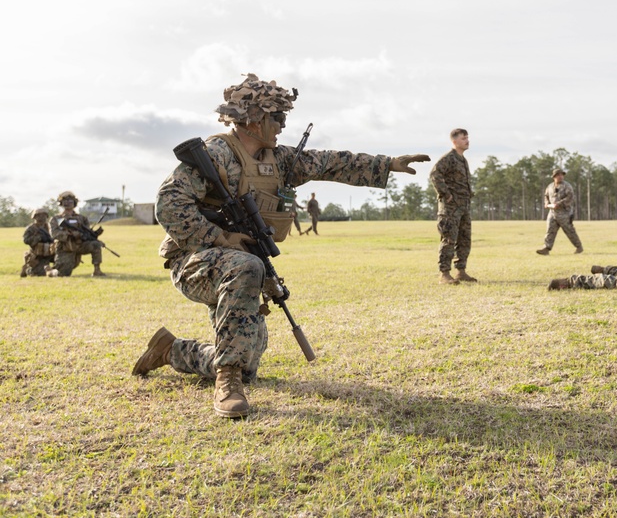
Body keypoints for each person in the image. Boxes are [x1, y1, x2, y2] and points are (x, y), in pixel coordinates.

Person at [132, 73, 429, 418]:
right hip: (195, 262)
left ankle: (172, 351)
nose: (283, 125)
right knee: (247, 270)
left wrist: (387, 164)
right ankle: (227, 383)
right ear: (254, 119)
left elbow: (330, 161)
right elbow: (168, 203)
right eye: (278, 117)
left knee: (249, 360)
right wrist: (221, 238)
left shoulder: (279, 158)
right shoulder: (215, 155)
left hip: (236, 263)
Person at [429, 128, 476, 285]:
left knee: (464, 239)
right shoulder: (449, 158)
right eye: (463, 138)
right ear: (454, 141)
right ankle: (444, 274)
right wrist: (446, 194)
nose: (467, 140)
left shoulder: (462, 159)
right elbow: (435, 175)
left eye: (467, 138)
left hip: (463, 207)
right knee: (449, 239)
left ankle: (461, 272)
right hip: (450, 208)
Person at [49, 191, 105, 277]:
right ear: (61, 203)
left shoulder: (82, 218)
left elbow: (86, 233)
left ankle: (97, 270)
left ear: (74, 202)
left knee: (95, 244)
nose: (68, 203)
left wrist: (94, 236)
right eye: (65, 200)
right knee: (63, 274)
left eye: (70, 200)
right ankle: (50, 271)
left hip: (80, 245)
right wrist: (69, 234)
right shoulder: (56, 218)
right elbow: (54, 234)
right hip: (65, 247)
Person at [536, 168, 583, 255]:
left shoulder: (567, 186)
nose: (560, 176)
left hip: (565, 213)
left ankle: (579, 247)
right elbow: (546, 196)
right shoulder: (550, 187)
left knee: (569, 231)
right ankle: (546, 248)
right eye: (558, 175)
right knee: (550, 230)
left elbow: (570, 197)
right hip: (552, 213)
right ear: (554, 177)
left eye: (562, 175)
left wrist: (559, 203)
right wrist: (546, 203)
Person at [21, 208, 55, 277]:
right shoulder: (31, 228)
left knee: (63, 265)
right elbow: (26, 240)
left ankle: (53, 270)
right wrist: (38, 238)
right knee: (39, 273)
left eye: (44, 215)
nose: (41, 218)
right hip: (38, 254)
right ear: (34, 217)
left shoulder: (49, 227)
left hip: (51, 252)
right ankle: (27, 270)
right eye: (39, 216)